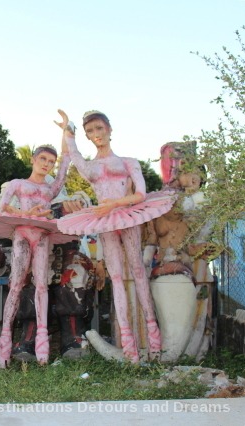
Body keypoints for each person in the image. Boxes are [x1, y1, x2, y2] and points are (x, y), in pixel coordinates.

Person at [56, 109, 162, 363]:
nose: (96, 135)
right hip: (105, 221)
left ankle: (154, 341)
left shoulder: (128, 161)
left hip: (126, 217)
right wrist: (68, 131)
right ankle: (129, 346)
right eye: (90, 131)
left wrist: (113, 205)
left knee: (138, 272)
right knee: (115, 278)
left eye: (99, 129)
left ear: (109, 129)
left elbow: (141, 195)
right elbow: (74, 154)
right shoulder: (90, 167)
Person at [0, 111, 75, 368]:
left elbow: (67, 165)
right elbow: (3, 206)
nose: (47, 164)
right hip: (22, 233)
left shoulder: (50, 188)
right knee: (16, 284)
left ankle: (42, 344)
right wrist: (26, 213)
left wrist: (67, 132)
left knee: (42, 285)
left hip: (43, 235)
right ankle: (5, 342)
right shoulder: (18, 184)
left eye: (50, 161)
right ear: (33, 160)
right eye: (43, 159)